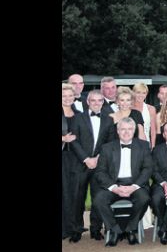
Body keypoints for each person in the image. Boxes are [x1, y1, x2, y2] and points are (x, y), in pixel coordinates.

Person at [92, 117, 152, 247]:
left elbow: (148, 169)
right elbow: (100, 172)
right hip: (114, 184)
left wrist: (134, 187)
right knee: (99, 200)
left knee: (144, 198)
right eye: (123, 129)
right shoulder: (107, 147)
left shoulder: (143, 146)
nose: (126, 132)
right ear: (118, 131)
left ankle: (130, 229)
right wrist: (114, 188)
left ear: (134, 131)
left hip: (135, 184)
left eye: (130, 129)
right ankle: (115, 230)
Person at [70, 90, 116, 241]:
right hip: (80, 164)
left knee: (98, 198)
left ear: (103, 102)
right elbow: (74, 141)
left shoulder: (108, 120)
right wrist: (86, 159)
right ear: (88, 102)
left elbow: (110, 143)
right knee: (78, 198)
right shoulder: (77, 118)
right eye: (93, 100)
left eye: (99, 100)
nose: (96, 103)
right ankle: (76, 229)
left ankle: (96, 229)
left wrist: (97, 158)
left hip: (99, 165)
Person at [61, 84, 80, 241]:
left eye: (70, 95)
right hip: (62, 157)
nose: (67, 98)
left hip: (76, 159)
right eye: (64, 96)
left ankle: (73, 227)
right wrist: (63, 138)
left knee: (74, 193)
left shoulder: (79, 114)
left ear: (74, 96)